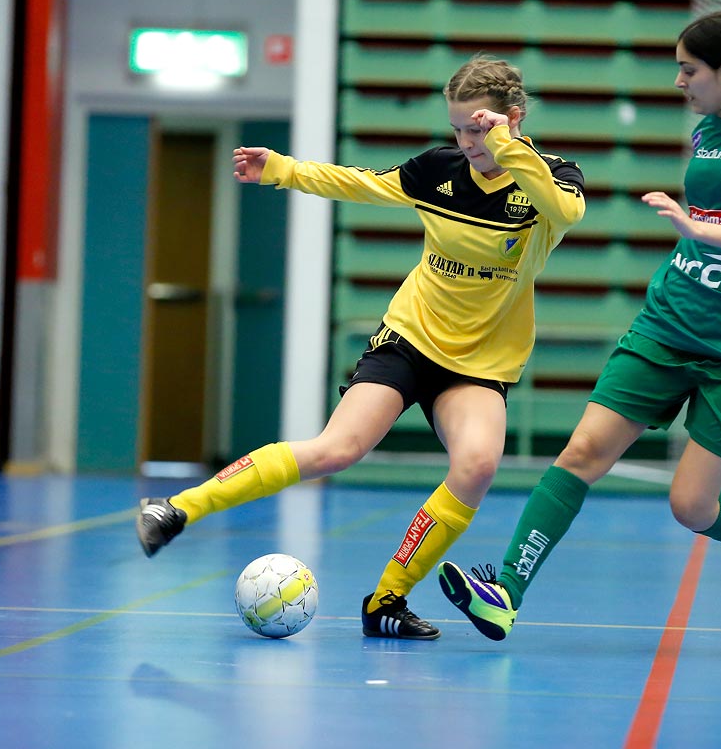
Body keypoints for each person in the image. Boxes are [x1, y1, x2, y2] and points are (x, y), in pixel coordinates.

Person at [136, 57, 586, 640]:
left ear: (512, 120)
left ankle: (387, 602)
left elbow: (566, 211)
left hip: (480, 364)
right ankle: (176, 508)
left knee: (476, 466)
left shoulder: (552, 178)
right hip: (411, 338)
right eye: (459, 129)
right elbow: (362, 183)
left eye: (478, 128)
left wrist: (508, 147)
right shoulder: (437, 172)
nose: (467, 141)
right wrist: (282, 169)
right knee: (336, 449)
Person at [437, 12, 721, 641]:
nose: (677, 81)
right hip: (668, 323)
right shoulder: (706, 135)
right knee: (582, 453)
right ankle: (505, 592)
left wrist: (695, 228)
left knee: (691, 506)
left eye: (687, 69)